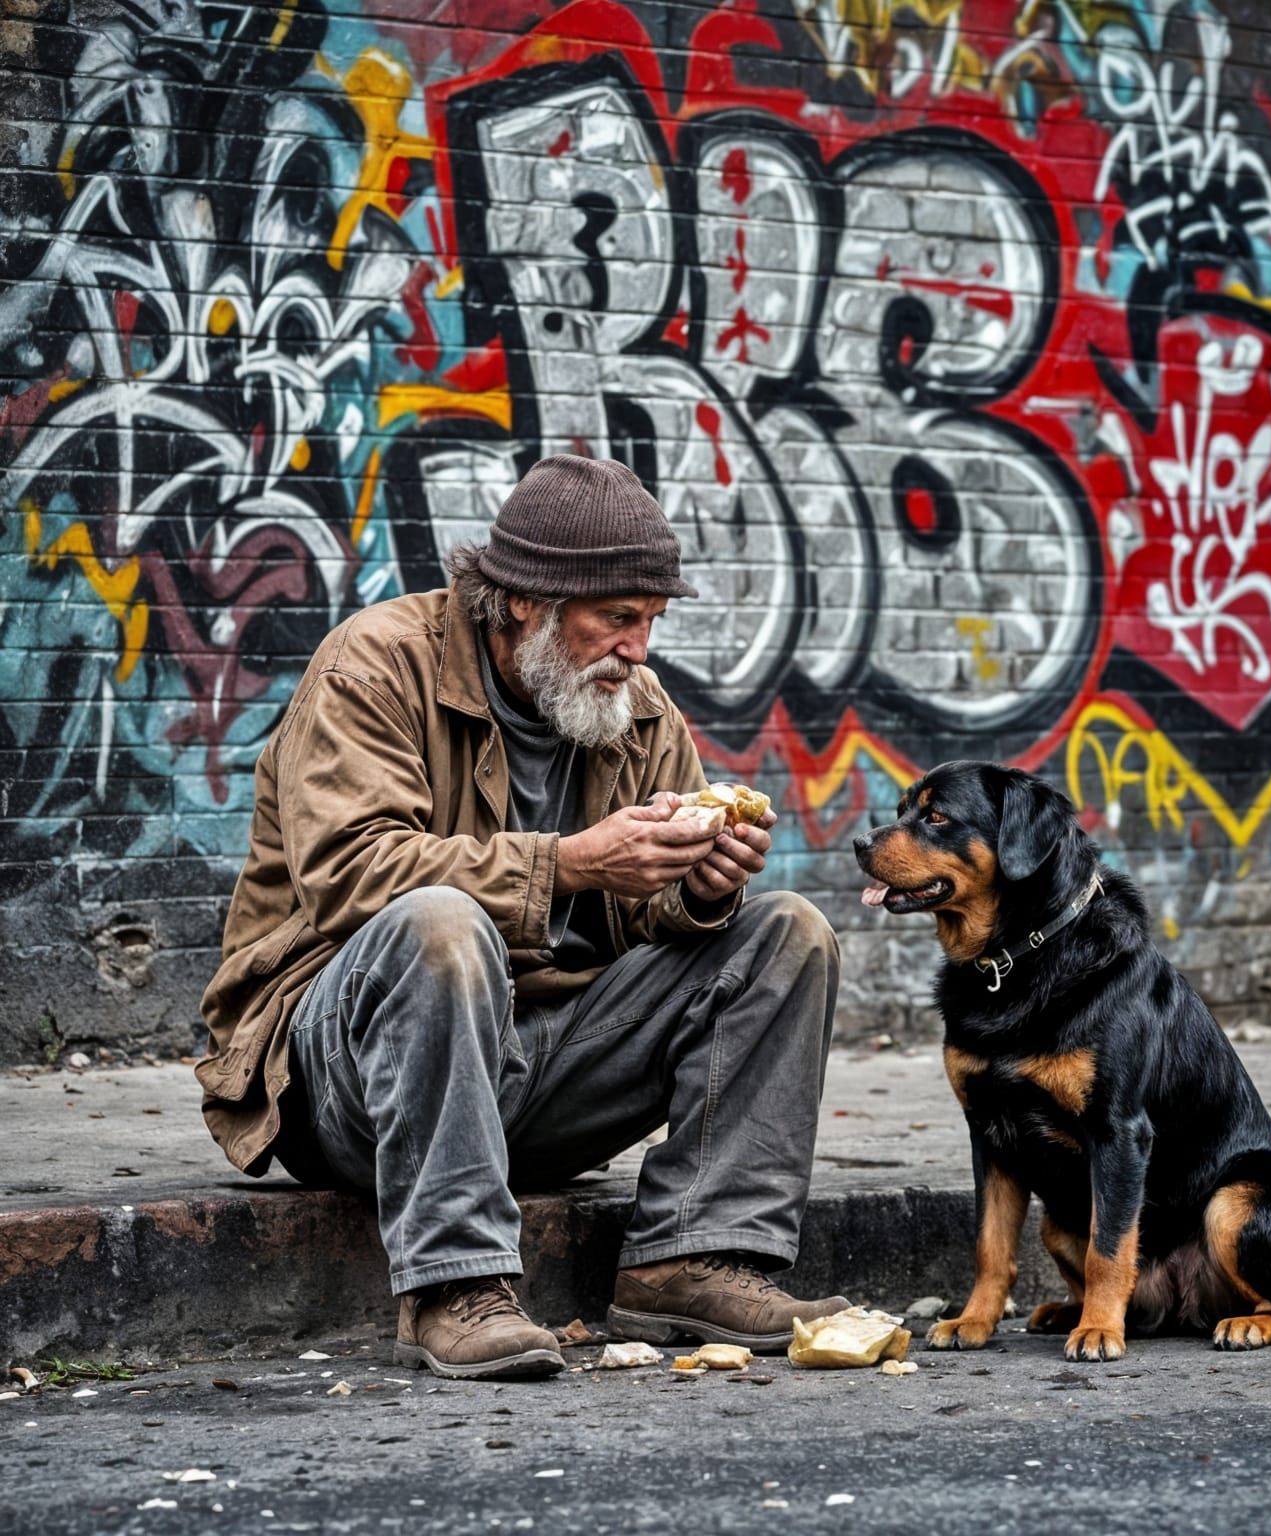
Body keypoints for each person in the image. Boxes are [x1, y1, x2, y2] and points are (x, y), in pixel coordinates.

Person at [197, 454, 848, 1379]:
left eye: (651, 622)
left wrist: (698, 891)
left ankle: (692, 1258)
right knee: (440, 923)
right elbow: (349, 872)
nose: (639, 650)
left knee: (787, 933)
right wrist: (574, 862)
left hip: (534, 1071)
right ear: (523, 603)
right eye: (616, 621)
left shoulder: (636, 707)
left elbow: (647, 919)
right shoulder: (376, 665)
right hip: (348, 1081)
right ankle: (451, 1287)